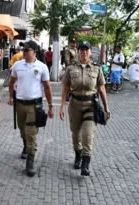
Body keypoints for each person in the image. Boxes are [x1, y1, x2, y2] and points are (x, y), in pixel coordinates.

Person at [60, 41, 110, 176]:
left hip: (90, 106)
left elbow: (101, 88)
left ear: (90, 52)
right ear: (78, 52)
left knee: (87, 135)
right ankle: (78, 155)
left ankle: (85, 164)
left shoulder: (96, 68)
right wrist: (62, 107)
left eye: (86, 50)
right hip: (75, 105)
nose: (84, 52)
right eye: (82, 50)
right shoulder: (71, 68)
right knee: (76, 134)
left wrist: (106, 107)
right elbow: (65, 88)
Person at [8, 40, 54, 177]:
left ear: (34, 51)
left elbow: (47, 87)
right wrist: (11, 96)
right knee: (23, 131)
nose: (24, 52)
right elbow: (11, 82)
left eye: (27, 50)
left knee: (31, 132)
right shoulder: (17, 65)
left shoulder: (42, 67)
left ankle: (30, 160)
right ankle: (25, 145)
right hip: (20, 104)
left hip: (35, 106)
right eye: (24, 49)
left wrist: (51, 106)